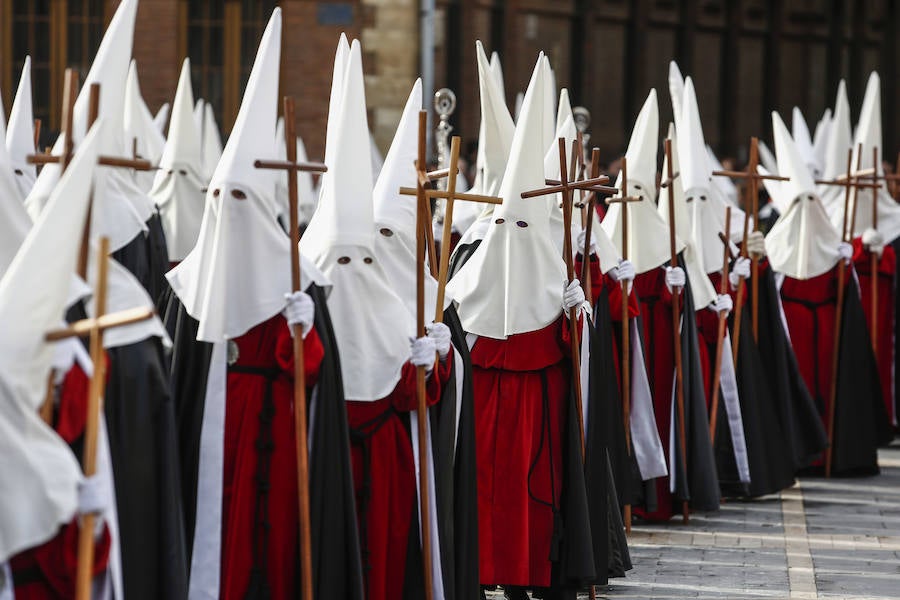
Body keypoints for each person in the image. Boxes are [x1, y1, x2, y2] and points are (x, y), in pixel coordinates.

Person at [166, 12, 362, 599]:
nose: (229, 209)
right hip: (207, 436)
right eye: (219, 198)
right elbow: (176, 376)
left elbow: (313, 376)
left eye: (241, 198)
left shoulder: (298, 277)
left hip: (274, 431)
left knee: (268, 541)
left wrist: (302, 331)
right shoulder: (187, 282)